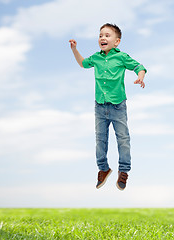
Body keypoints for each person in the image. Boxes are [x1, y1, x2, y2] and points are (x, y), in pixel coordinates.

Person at [69, 23, 147, 190]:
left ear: (117, 41)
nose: (102, 38)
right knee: (100, 140)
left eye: (107, 35)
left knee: (123, 139)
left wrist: (140, 77)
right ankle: (103, 169)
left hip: (118, 106)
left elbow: (139, 67)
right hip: (100, 106)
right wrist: (74, 49)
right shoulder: (96, 58)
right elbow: (83, 64)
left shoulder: (121, 57)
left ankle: (124, 171)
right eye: (100, 35)